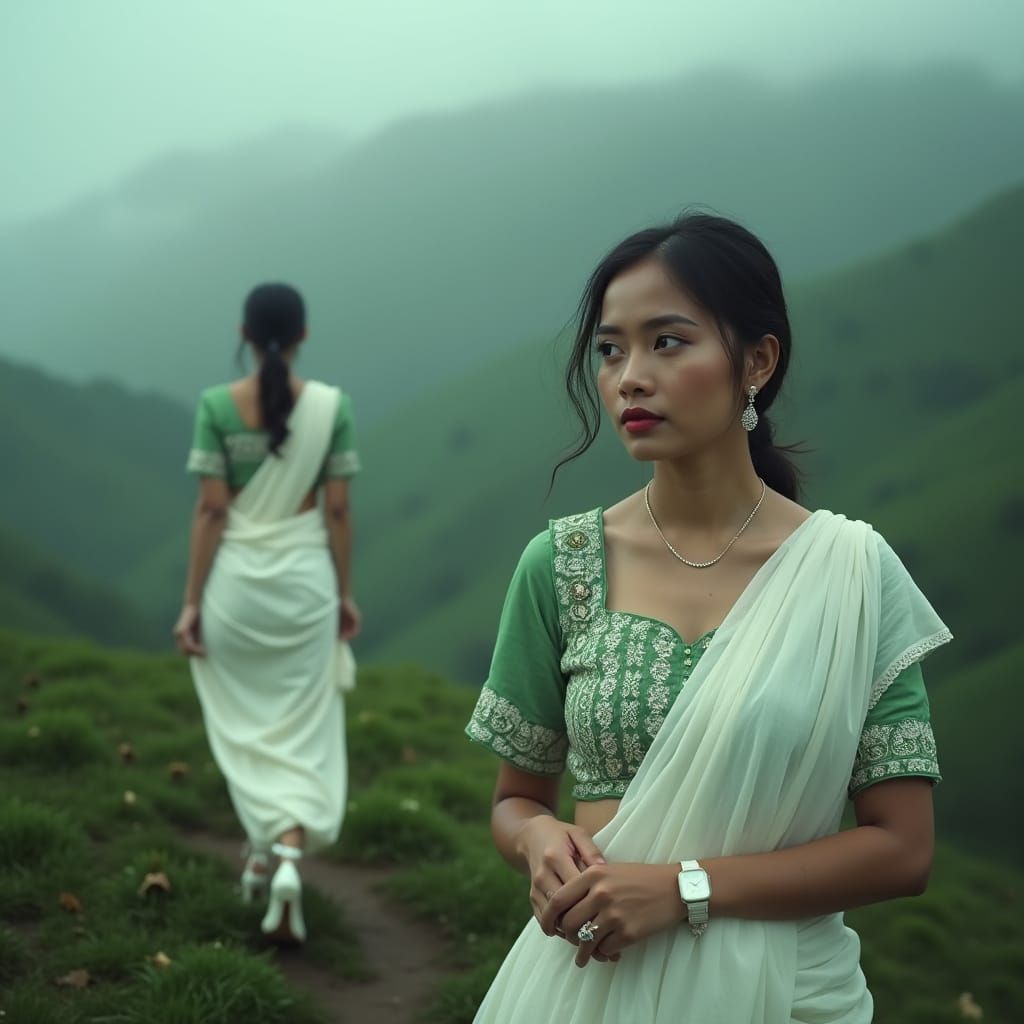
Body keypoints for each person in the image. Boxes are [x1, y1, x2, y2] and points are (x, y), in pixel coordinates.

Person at [465, 214, 951, 1022]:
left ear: (756, 360)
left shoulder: (851, 576)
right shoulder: (561, 566)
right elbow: (515, 798)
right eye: (611, 349)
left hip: (791, 993)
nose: (629, 377)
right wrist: (538, 841)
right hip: (594, 986)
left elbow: (903, 848)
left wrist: (683, 890)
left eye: (668, 342)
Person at [174, 282, 361, 944]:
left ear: (244, 333)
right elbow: (336, 510)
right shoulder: (331, 408)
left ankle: (262, 852)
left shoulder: (215, 407)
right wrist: (343, 593)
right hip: (304, 589)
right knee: (300, 727)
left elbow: (212, 511)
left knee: (248, 727)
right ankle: (283, 853)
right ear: (303, 334)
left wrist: (193, 601)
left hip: (237, 593)